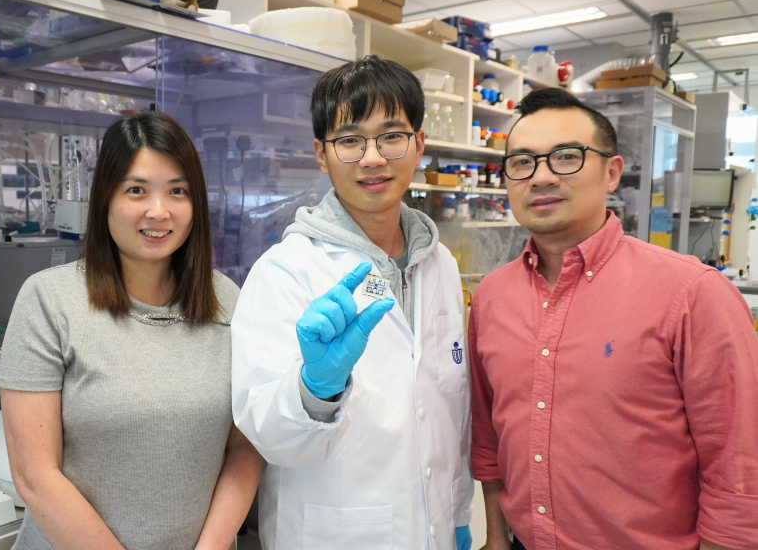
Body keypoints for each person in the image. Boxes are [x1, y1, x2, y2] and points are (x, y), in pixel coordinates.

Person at [468, 88, 758, 550]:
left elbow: (738, 465)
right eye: (522, 162)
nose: (541, 177)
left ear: (612, 173)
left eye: (566, 157)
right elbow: (489, 437)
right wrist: (497, 538)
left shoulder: (691, 293)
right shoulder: (491, 298)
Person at [231, 55, 474, 550]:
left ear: (419, 145)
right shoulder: (285, 271)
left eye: (391, 136)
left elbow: (451, 412)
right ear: (322, 155)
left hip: (437, 529)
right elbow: (266, 435)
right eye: (349, 140)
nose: (372, 158)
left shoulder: (442, 265)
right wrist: (314, 390)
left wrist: (459, 510)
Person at [0, 111, 264, 550]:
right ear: (105, 198)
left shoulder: (227, 301)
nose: (158, 211)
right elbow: (34, 475)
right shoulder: (49, 301)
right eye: (136, 190)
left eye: (177, 191)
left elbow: (243, 448)